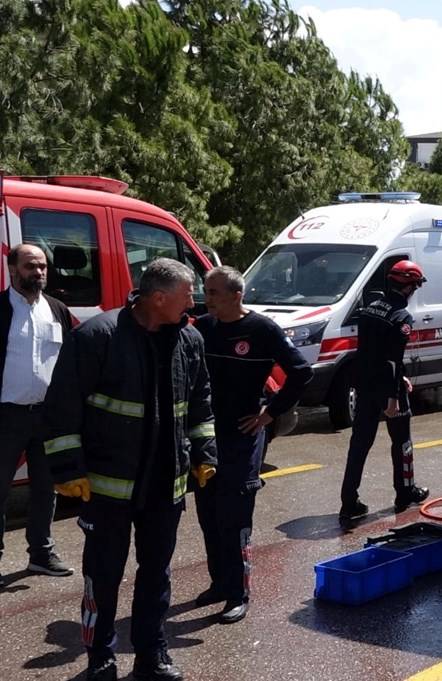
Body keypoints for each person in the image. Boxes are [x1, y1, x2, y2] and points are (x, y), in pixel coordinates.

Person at [42, 258, 217, 681]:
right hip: (107, 491)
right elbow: (62, 405)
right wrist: (67, 468)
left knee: (156, 575)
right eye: (187, 292)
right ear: (158, 298)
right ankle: (99, 656)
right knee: (102, 577)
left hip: (164, 487)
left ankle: (151, 655)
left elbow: (200, 401)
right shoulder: (98, 336)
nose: (193, 300)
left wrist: (205, 452)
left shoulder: (189, 339)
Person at [192, 266, 312, 624]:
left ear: (236, 296)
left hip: (243, 435)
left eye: (213, 292)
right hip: (207, 434)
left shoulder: (261, 329)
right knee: (208, 514)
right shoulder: (203, 327)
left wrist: (269, 413)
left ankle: (237, 593)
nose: (207, 298)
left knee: (235, 516)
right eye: (206, 291)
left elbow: (301, 372)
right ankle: (219, 583)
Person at [0, 244, 75, 586]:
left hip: (47, 416)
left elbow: (71, 364)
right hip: (6, 416)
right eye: (31, 266)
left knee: (46, 488)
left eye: (43, 266)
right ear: (12, 269)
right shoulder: (1, 309)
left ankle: (41, 555)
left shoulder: (57, 310)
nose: (39, 272)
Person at [339, 259, 430, 521]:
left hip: (365, 385)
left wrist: (400, 378)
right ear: (408, 287)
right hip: (387, 389)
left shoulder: (369, 310)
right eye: (415, 286)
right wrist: (393, 397)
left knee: (359, 445)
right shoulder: (401, 317)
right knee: (402, 442)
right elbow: (392, 359)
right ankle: (405, 491)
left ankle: (349, 502)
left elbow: (371, 352)